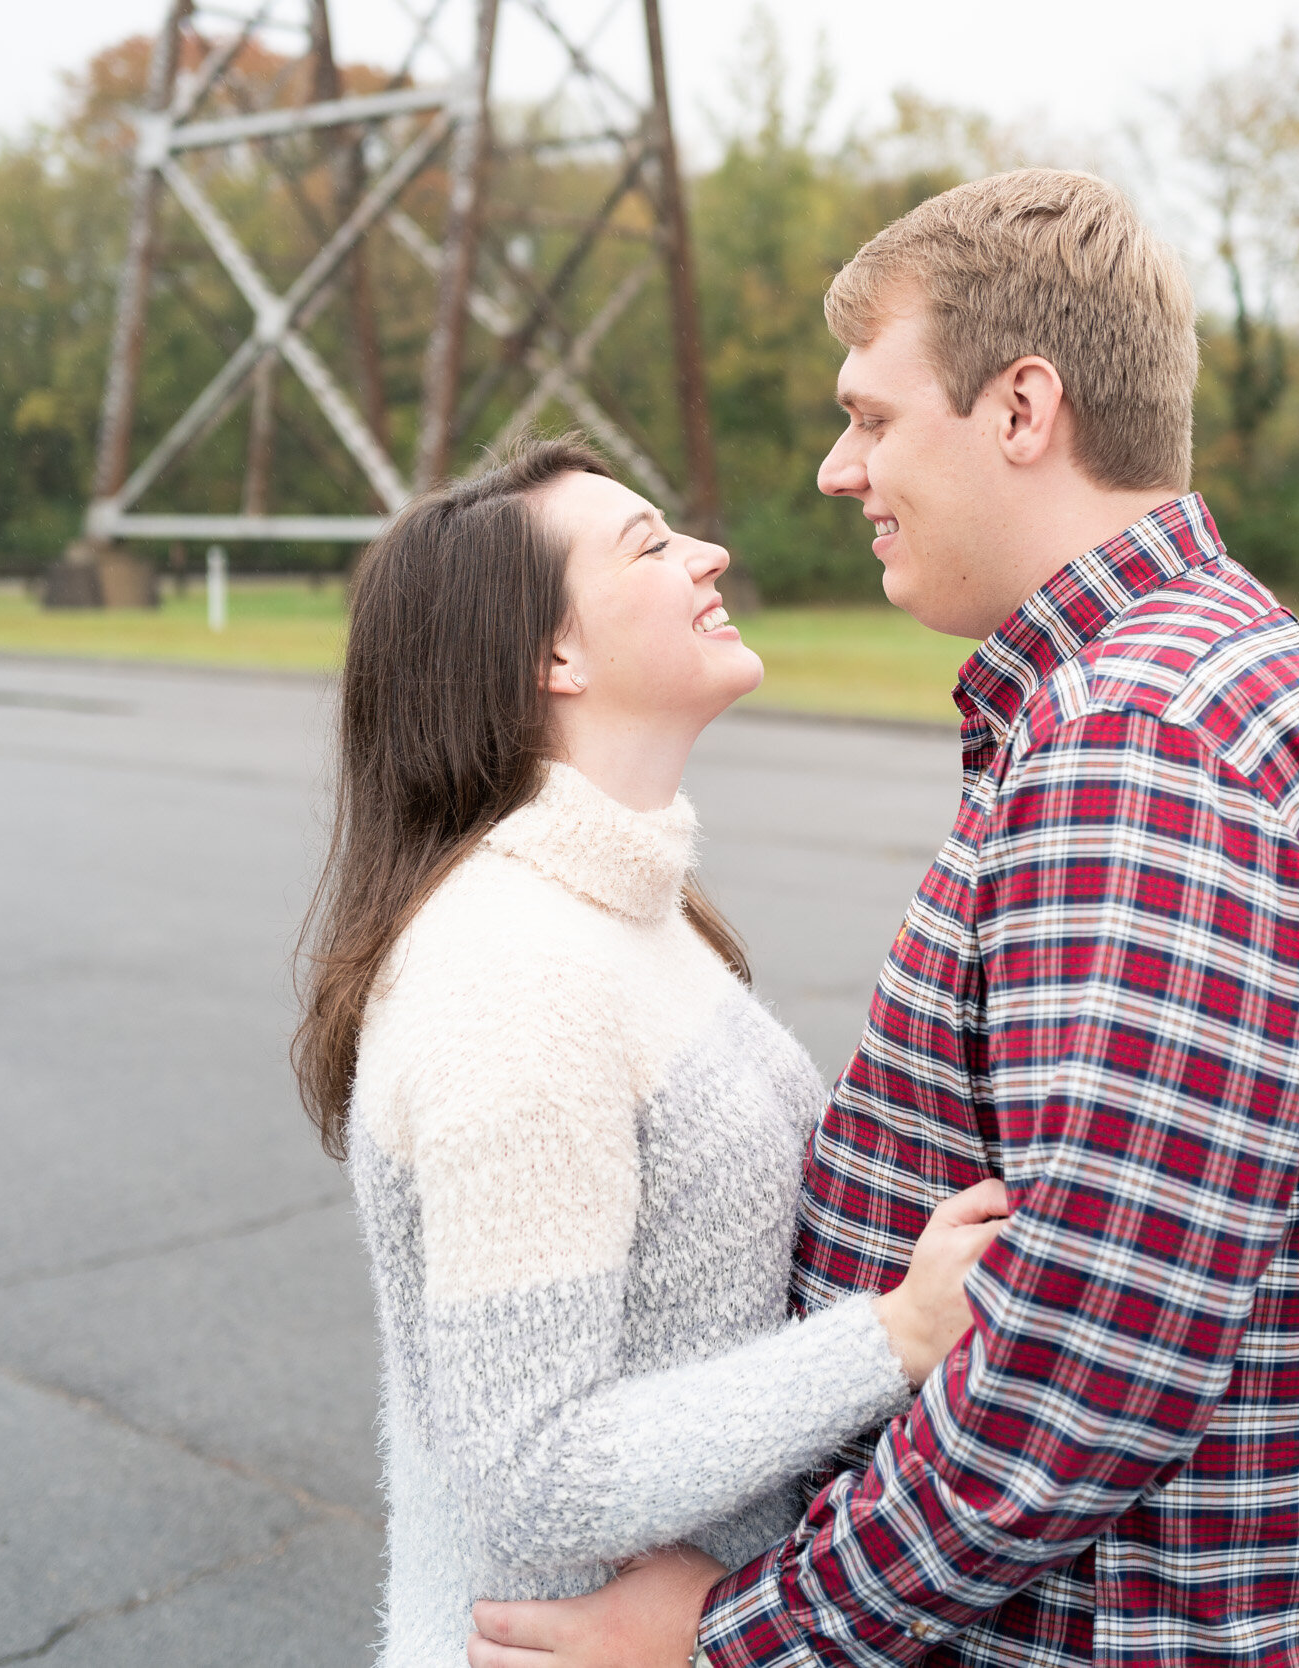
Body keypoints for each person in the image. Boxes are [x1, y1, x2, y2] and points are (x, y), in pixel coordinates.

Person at [466, 170, 1299, 1668]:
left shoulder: (1148, 740)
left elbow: (1081, 1371)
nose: (833, 471)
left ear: (1019, 410)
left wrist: (738, 1639)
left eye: (871, 416)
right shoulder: (1183, 685)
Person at [293, 436, 1012, 1667]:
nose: (709, 552)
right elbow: (534, 1471)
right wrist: (892, 1338)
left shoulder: (620, 912)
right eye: (649, 543)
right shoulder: (510, 977)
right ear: (552, 656)